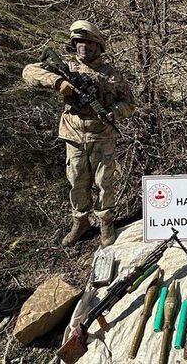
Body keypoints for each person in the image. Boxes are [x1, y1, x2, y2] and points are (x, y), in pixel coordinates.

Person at [22, 20, 136, 247]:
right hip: (73, 134)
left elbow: (129, 104)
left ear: (98, 46)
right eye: (78, 42)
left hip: (102, 135)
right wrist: (57, 82)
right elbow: (28, 71)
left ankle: (105, 222)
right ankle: (81, 221)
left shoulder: (113, 75)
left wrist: (113, 113)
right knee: (77, 181)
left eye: (88, 42)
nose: (83, 46)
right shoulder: (67, 68)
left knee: (104, 182)